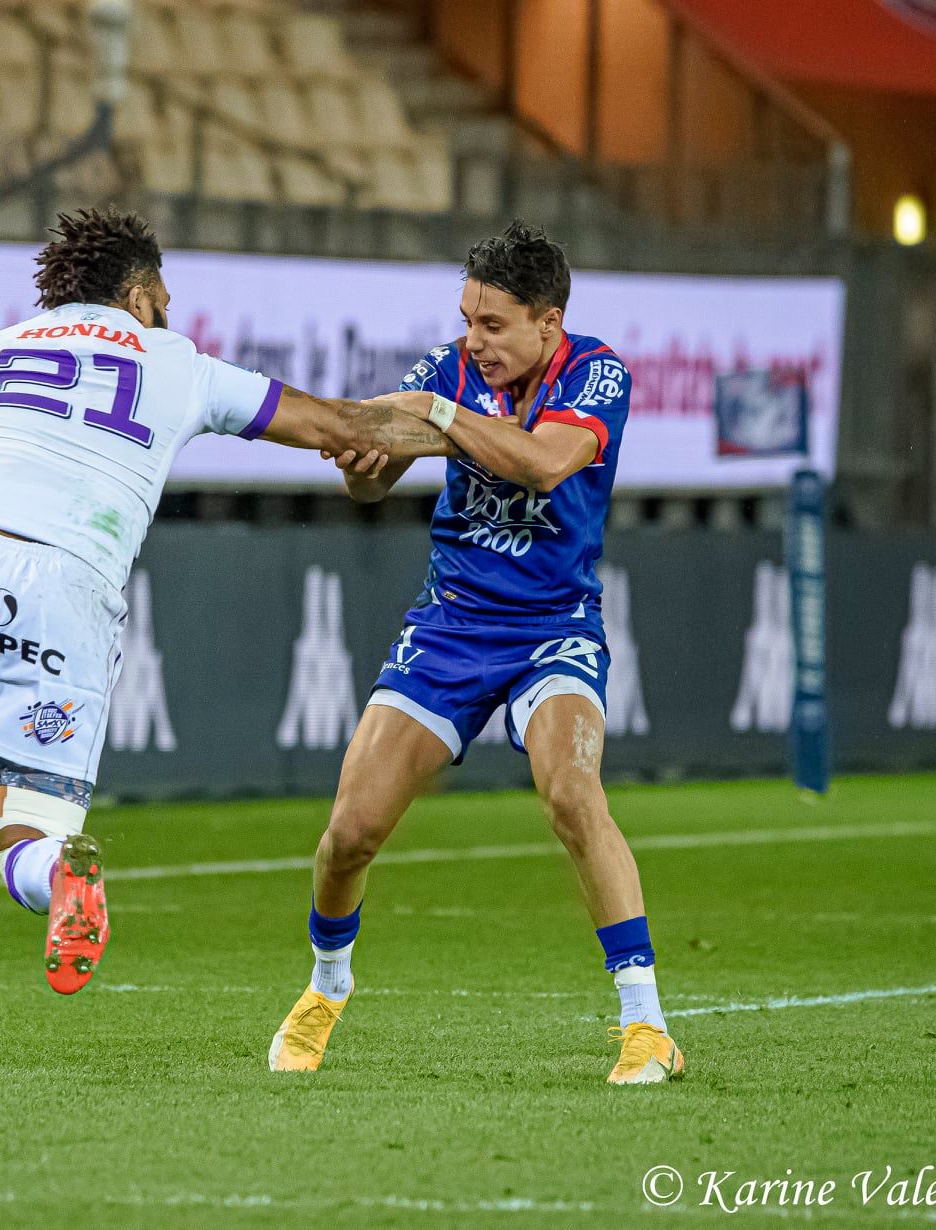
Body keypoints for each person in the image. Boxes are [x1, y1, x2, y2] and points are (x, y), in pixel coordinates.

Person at [0, 207, 455, 1082]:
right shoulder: (176, 363)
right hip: (73, 591)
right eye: (162, 298)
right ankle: (60, 877)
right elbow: (342, 429)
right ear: (137, 294)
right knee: (25, 838)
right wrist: (480, 436)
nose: (166, 313)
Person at [268, 221, 685, 1085]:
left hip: (553, 625)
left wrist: (439, 417)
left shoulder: (596, 372)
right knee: (349, 832)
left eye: (493, 324)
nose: (474, 340)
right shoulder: (445, 371)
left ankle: (646, 1025)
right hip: (452, 623)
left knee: (571, 790)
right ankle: (325, 988)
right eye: (468, 319)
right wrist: (364, 459)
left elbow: (540, 465)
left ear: (548, 322)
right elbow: (372, 474)